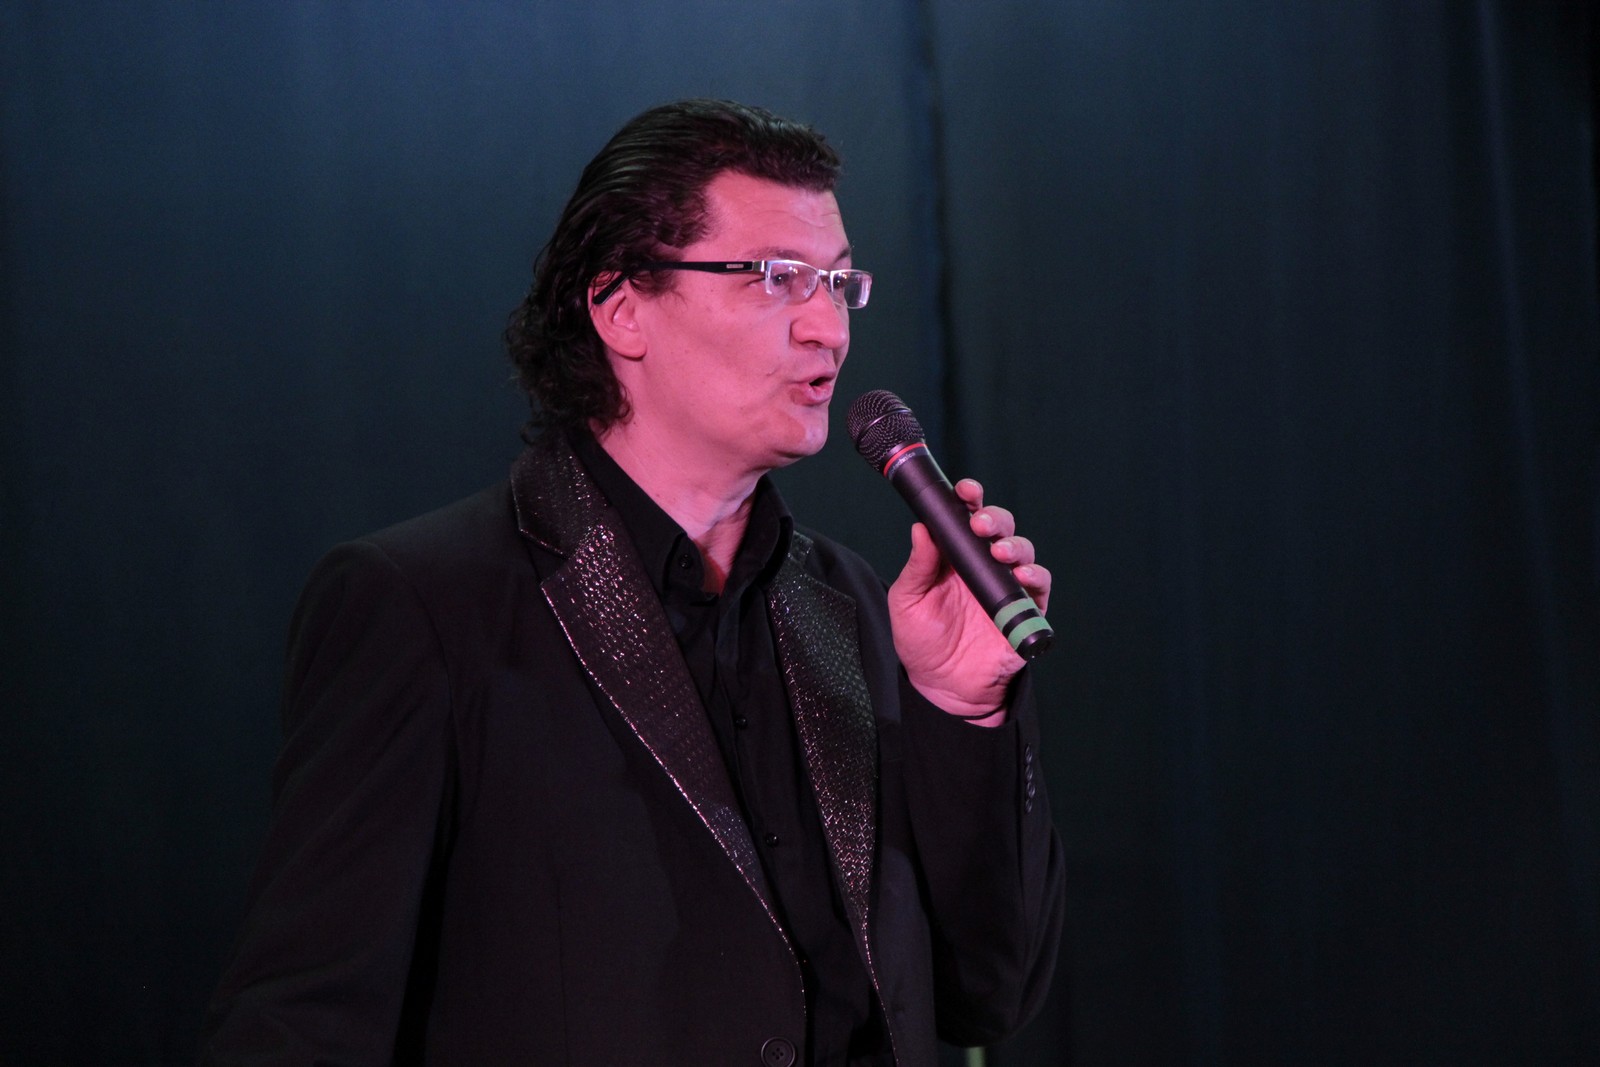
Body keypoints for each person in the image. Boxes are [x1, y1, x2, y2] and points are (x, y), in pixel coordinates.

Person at [202, 98, 1064, 1067]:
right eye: (777, 277)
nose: (827, 326)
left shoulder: (853, 603)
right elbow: (304, 1020)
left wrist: (961, 709)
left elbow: (984, 990)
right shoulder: (425, 604)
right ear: (621, 308)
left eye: (837, 282)